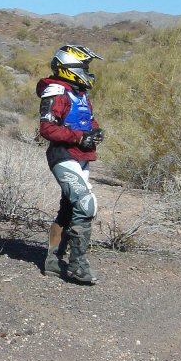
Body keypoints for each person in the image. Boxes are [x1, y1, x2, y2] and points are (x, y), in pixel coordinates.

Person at [35, 45, 104, 285]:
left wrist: (94, 131)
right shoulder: (56, 91)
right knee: (85, 205)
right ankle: (77, 265)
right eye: (84, 67)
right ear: (70, 68)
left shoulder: (79, 92)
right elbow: (47, 128)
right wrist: (78, 136)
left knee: (69, 209)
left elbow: (88, 119)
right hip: (63, 154)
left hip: (81, 155)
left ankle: (53, 263)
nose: (88, 71)